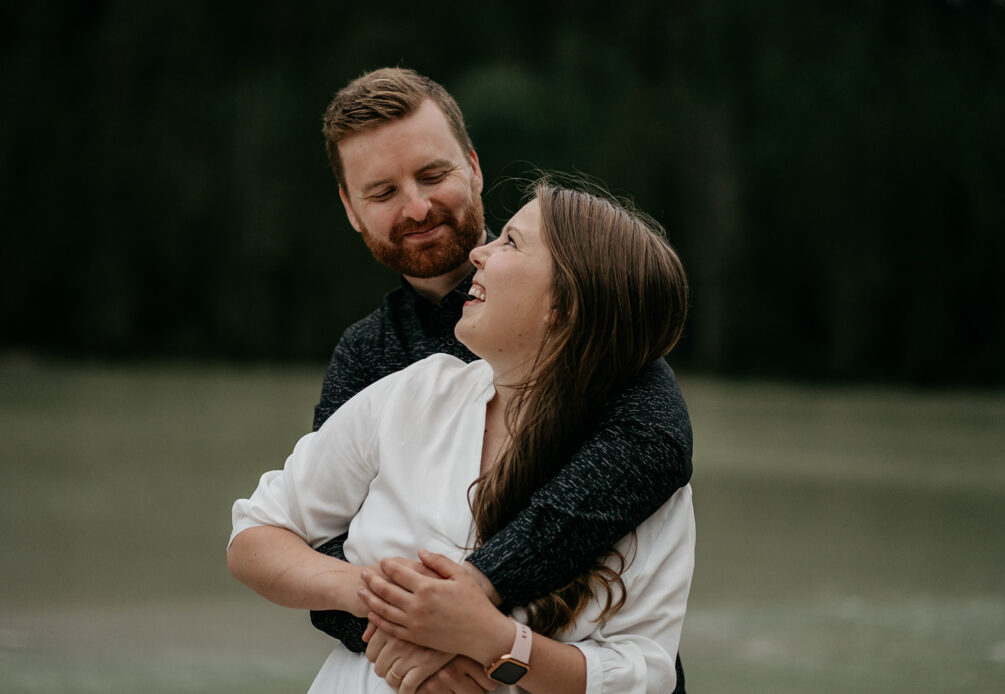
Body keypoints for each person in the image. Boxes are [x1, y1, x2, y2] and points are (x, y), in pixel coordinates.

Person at [228, 67, 694, 692]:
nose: (417, 207)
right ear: (351, 210)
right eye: (383, 191)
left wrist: (479, 607)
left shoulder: (582, 309)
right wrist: (428, 647)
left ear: (473, 167)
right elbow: (313, 541)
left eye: (432, 175)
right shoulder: (373, 358)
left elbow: (655, 446)